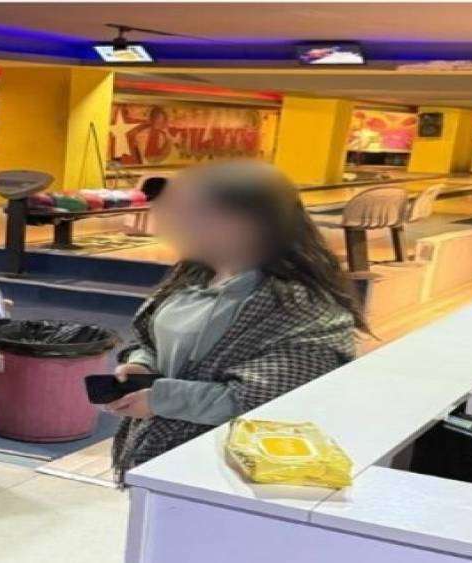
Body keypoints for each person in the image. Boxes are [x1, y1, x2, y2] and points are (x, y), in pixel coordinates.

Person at [107, 160, 365, 480]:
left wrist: (160, 398)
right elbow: (150, 339)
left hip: (229, 470)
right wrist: (141, 365)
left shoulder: (303, 306)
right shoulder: (197, 272)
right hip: (161, 455)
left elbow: (265, 401)